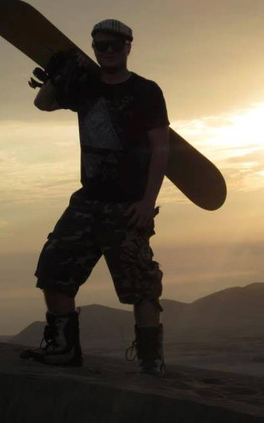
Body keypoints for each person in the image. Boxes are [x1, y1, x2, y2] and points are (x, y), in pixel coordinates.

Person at [21, 19, 170, 375]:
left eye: (114, 45)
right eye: (100, 46)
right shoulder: (84, 87)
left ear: (128, 46)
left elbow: (162, 149)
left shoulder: (146, 91)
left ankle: (151, 359)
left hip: (128, 203)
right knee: (54, 270)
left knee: (141, 284)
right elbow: (42, 104)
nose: (107, 51)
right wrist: (56, 77)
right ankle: (63, 347)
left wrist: (148, 202)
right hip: (88, 200)